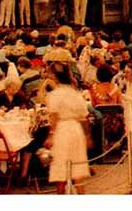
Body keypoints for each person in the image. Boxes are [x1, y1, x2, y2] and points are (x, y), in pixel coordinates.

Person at [45, 63, 89, 194]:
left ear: (55, 76)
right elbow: (84, 116)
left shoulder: (54, 94)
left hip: (62, 129)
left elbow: (54, 116)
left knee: (60, 167)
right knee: (78, 166)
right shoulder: (75, 93)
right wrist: (87, 135)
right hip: (76, 129)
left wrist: (51, 135)